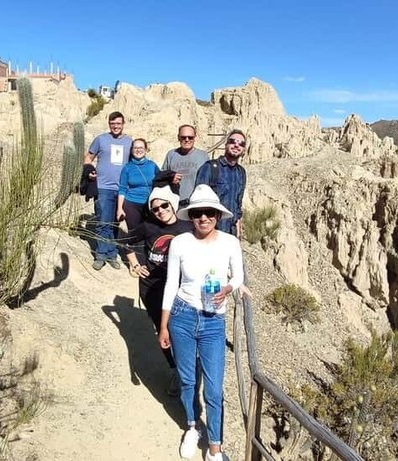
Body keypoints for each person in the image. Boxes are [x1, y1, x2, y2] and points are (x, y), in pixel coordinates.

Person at [159, 184, 243, 461]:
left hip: (213, 320)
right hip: (182, 316)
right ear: (191, 216)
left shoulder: (230, 242)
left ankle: (215, 447)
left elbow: (238, 277)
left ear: (217, 215)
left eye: (209, 213)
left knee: (214, 387)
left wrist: (228, 289)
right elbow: (172, 284)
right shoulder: (180, 243)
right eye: (197, 213)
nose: (203, 218)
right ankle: (193, 426)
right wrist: (163, 325)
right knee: (186, 379)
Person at [123, 185, 193, 395]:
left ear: (172, 204)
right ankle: (175, 371)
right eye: (155, 209)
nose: (161, 211)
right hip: (152, 288)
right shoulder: (148, 227)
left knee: (180, 330)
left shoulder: (187, 227)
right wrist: (134, 264)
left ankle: (187, 370)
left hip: (179, 288)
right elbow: (124, 241)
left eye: (164, 206)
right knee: (163, 331)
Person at [84, 111, 132, 270]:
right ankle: (101, 255)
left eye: (119, 123)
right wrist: (89, 170)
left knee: (114, 224)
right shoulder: (101, 139)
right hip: (103, 187)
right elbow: (88, 157)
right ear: (109, 124)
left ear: (123, 124)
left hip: (122, 189)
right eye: (113, 123)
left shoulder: (129, 142)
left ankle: (111, 254)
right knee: (102, 221)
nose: (116, 126)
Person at [196, 129, 247, 237]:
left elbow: (238, 206)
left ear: (243, 149)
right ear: (226, 144)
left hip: (231, 233)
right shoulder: (210, 168)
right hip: (211, 232)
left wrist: (237, 234)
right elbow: (198, 203)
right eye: (233, 141)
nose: (236, 145)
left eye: (241, 144)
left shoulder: (241, 172)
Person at [117, 138, 160, 263]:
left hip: (149, 204)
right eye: (135, 148)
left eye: (141, 147)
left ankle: (147, 260)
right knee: (134, 233)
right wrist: (120, 208)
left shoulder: (152, 166)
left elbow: (161, 180)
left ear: (146, 150)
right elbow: (122, 189)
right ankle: (134, 263)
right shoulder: (127, 168)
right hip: (131, 203)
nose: (138, 150)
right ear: (131, 150)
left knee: (150, 231)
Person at [162, 124, 210, 206]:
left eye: (190, 137)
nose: (187, 140)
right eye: (183, 137)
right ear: (178, 137)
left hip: (196, 204)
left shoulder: (203, 156)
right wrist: (170, 179)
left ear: (195, 137)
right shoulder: (171, 155)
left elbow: (209, 181)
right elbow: (162, 177)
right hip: (175, 204)